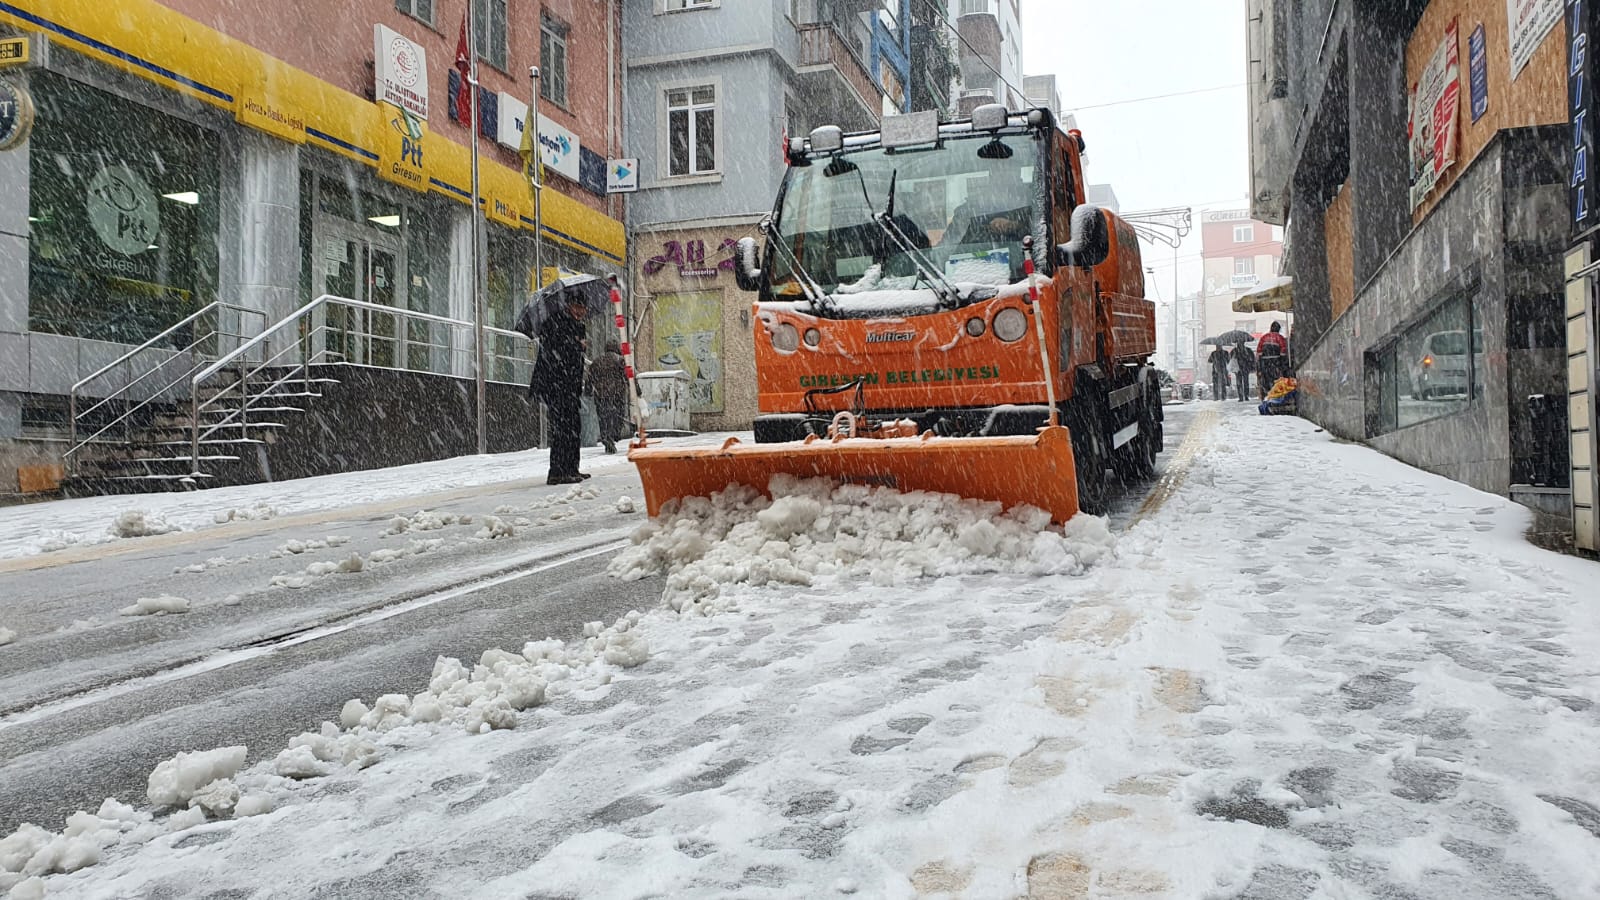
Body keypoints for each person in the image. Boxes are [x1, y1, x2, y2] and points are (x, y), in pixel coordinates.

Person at [530, 294, 590, 485]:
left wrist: (579, 346)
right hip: (555, 384)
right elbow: (555, 351)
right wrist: (576, 344)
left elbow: (574, 357)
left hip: (570, 386)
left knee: (573, 427)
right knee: (563, 428)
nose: (580, 311)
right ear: (568, 306)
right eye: (577, 307)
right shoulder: (554, 322)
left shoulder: (578, 326)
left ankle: (572, 468)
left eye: (583, 308)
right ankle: (557, 472)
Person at [587, 340, 629, 454]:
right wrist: (637, 391)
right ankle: (614, 435)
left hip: (600, 395)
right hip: (617, 394)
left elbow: (590, 378)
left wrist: (588, 390)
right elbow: (628, 376)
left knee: (603, 417)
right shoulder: (620, 360)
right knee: (617, 416)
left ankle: (605, 436)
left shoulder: (596, 361)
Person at [1256, 321, 1289, 399]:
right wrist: (1283, 364)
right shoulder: (1280, 338)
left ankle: (1268, 396)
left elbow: (1259, 352)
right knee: (1276, 381)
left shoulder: (1264, 337)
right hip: (1276, 363)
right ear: (1278, 329)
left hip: (1265, 363)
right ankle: (1276, 397)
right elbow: (1283, 352)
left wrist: (1259, 367)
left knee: (1266, 381)